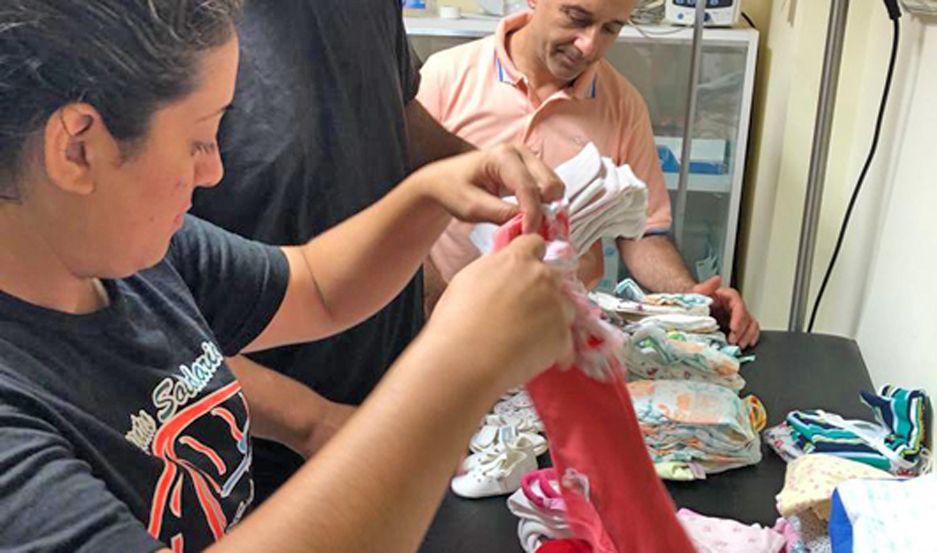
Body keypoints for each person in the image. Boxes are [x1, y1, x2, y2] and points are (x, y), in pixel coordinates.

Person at [0, 1, 572, 550]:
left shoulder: (138, 262)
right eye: (199, 139)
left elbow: (316, 287)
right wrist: (458, 365)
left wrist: (431, 193)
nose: (213, 169)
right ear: (76, 148)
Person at [188, 0, 475, 502]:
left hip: (383, 392)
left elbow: (394, 111)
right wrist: (313, 424)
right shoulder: (159, 24)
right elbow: (153, 319)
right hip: (252, 439)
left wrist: (479, 169)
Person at [417, 0, 761, 348]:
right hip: (444, 322)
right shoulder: (446, 77)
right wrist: (436, 307)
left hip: (557, 333)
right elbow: (398, 201)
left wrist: (692, 299)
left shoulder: (623, 106)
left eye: (611, 29)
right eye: (577, 18)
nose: (589, 46)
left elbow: (643, 234)